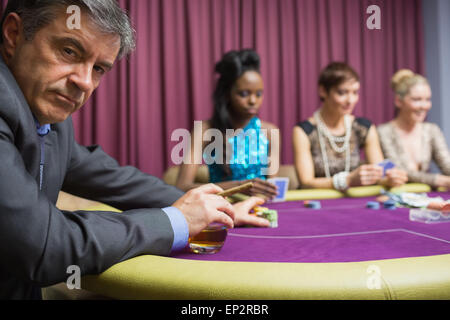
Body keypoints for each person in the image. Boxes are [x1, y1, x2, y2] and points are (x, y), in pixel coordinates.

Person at [0, 0, 268, 300]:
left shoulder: (50, 118)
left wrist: (215, 206)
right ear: (13, 34)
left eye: (99, 68)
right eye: (69, 51)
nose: (84, 82)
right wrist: (175, 221)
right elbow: (44, 246)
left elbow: (111, 178)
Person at [175, 49, 280, 200]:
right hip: (218, 211)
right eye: (244, 94)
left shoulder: (270, 131)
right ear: (226, 93)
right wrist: (240, 186)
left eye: (258, 94)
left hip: (259, 208)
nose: (253, 101)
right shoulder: (205, 130)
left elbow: (272, 189)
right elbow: (182, 187)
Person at [292, 62, 408, 191]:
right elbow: (306, 182)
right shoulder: (304, 131)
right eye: (342, 93)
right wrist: (347, 180)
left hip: (354, 202)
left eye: (355, 92)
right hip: (315, 202)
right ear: (323, 91)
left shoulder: (364, 127)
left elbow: (379, 173)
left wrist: (389, 179)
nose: (350, 100)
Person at [377, 69, 450, 189]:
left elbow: (447, 164)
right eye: (417, 100)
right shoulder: (383, 132)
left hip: (425, 197)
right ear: (398, 101)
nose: (424, 106)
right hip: (395, 197)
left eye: (427, 99)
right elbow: (400, 171)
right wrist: (441, 181)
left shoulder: (431, 130)